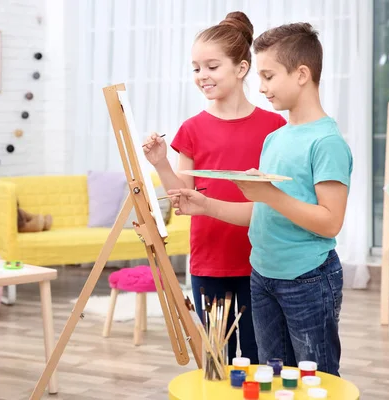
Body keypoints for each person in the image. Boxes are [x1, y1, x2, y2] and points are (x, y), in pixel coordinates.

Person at [167, 22, 353, 376]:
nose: (262, 86)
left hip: (307, 278)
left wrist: (269, 194)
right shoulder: (277, 138)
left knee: (316, 380)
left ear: (301, 75)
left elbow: (330, 221)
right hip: (264, 275)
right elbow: (261, 213)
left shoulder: (326, 142)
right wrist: (204, 205)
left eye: (268, 76)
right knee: (268, 376)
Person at [143, 11, 286, 364]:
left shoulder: (274, 125)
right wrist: (161, 162)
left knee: (258, 357)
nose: (202, 76)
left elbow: (279, 197)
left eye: (211, 66)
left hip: (261, 260)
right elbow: (182, 198)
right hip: (209, 261)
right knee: (216, 359)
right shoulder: (191, 129)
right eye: (196, 68)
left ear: (241, 68)